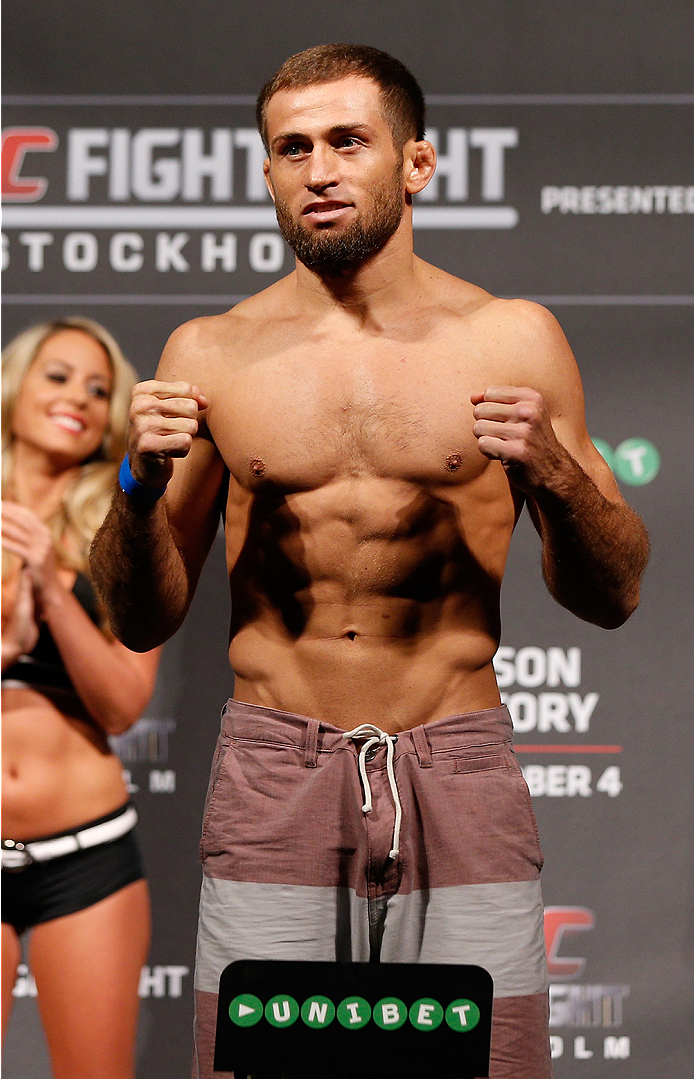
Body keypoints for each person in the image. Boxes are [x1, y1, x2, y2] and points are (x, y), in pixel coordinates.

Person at [89, 44, 650, 1079]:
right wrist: (134, 486)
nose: (319, 169)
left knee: (491, 1063)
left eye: (348, 140)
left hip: (456, 756)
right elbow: (138, 615)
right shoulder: (209, 353)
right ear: (266, 175)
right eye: (291, 148)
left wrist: (560, 478)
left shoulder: (511, 337)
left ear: (416, 164)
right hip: (274, 767)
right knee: (258, 1065)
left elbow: (611, 593)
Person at [1, 317, 160, 1079]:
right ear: (16, 387)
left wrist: (50, 589)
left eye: (100, 390)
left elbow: (125, 704)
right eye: (58, 376)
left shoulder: (125, 528)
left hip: (86, 855)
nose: (80, 399)